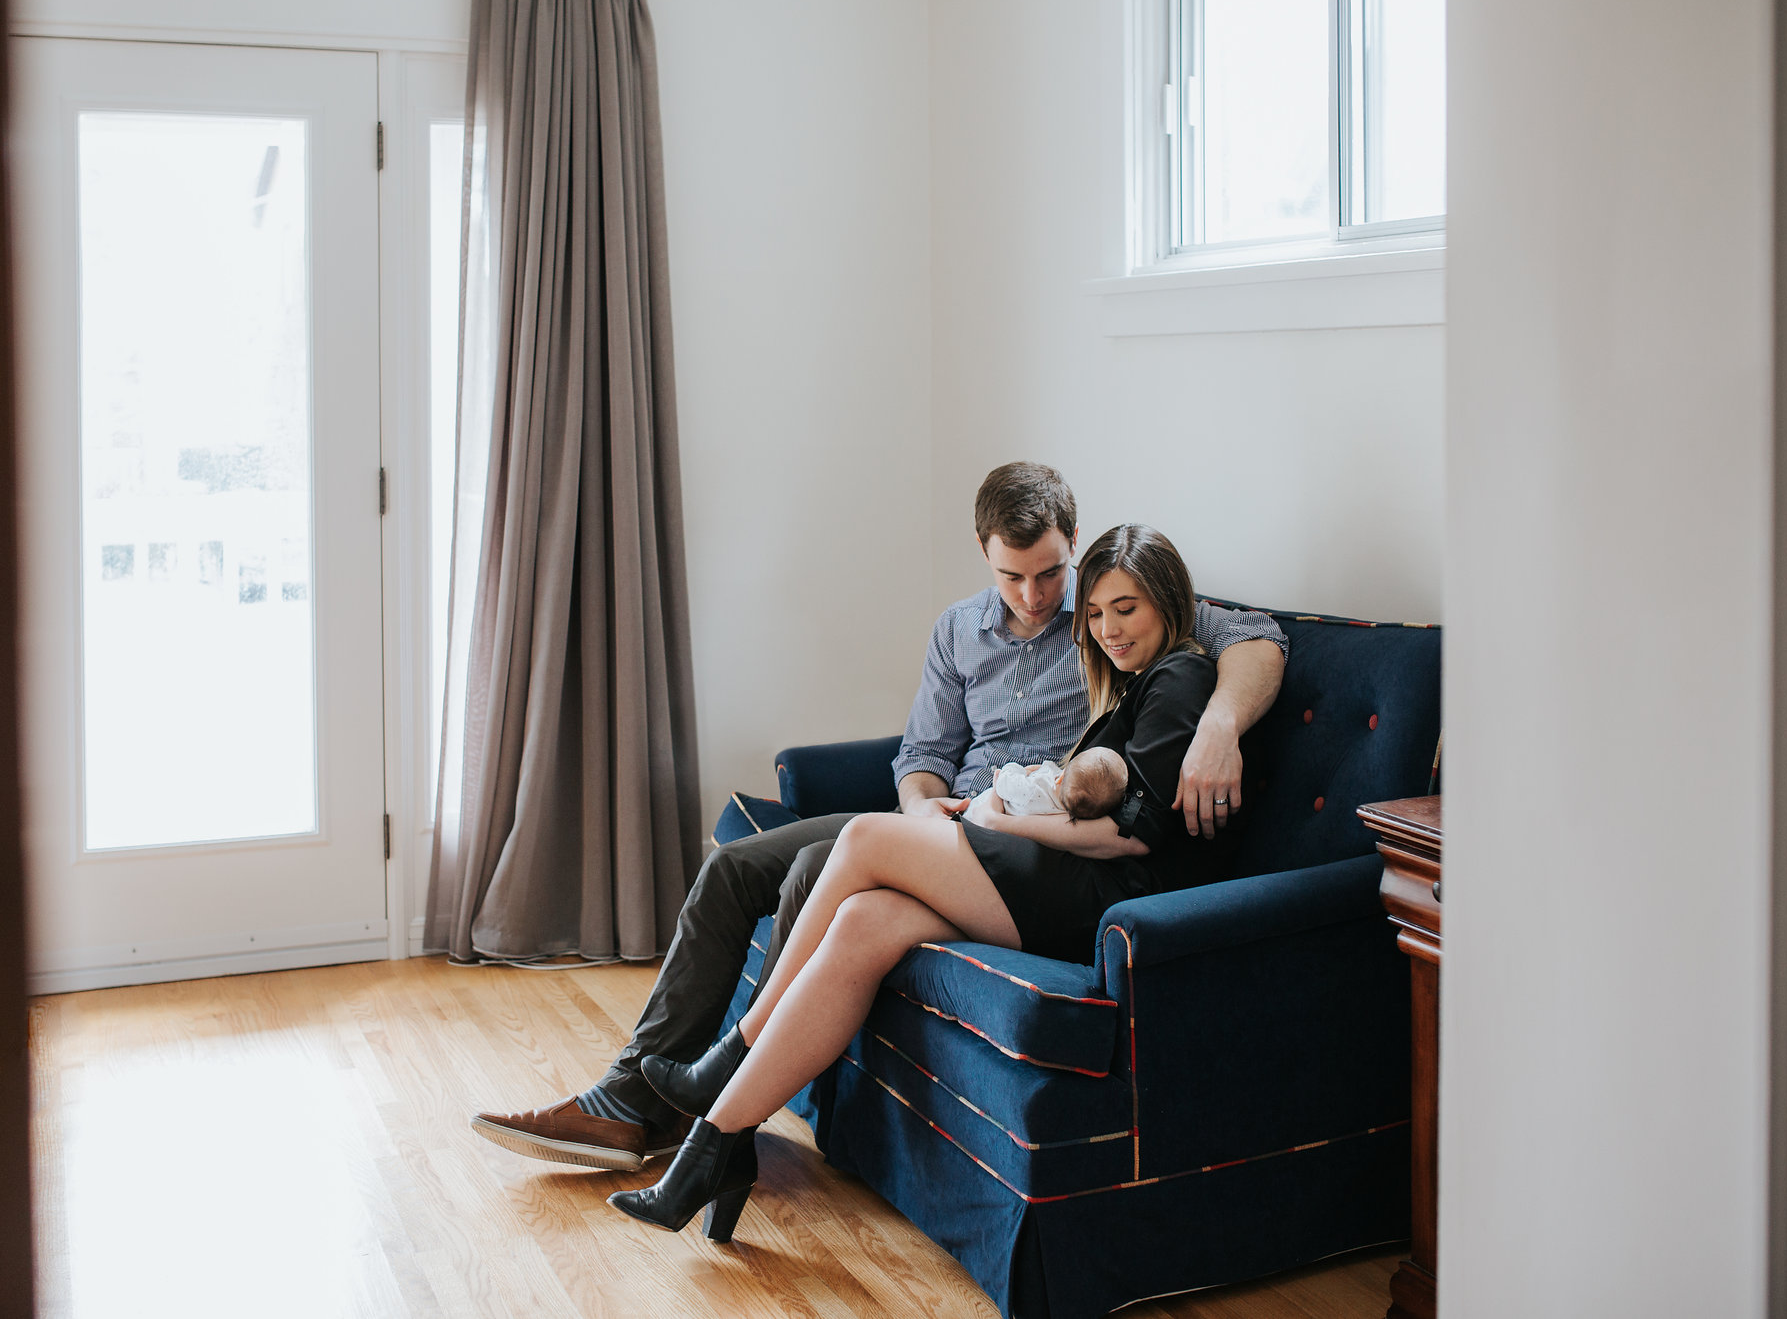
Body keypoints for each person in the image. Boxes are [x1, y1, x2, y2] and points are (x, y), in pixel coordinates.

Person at [468, 466, 1287, 1172]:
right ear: (984, 556)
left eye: (1049, 574)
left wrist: (1218, 726)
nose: (1037, 597)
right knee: (731, 867)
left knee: (810, 873)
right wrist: (925, 815)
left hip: (1019, 841)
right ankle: (635, 1087)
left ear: (1072, 542)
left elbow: (1249, 636)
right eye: (1014, 577)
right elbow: (921, 752)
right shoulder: (960, 629)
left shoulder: (1112, 606)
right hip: (943, 821)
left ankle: (711, 1102)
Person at [608, 524, 1227, 1238]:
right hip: (1071, 875)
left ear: (1167, 603)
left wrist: (1003, 824)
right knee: (863, 921)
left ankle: (731, 1052)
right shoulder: (1131, 680)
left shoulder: (1180, 673)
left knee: (865, 837)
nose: (1108, 628)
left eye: (1127, 609)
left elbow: (1137, 831)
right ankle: (711, 1149)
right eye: (1096, 612)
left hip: (1112, 897)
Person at [961, 746, 1126, 824]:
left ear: (1061, 777)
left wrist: (1017, 769)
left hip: (974, 814)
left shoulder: (1033, 789)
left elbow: (1003, 784)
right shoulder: (1067, 811)